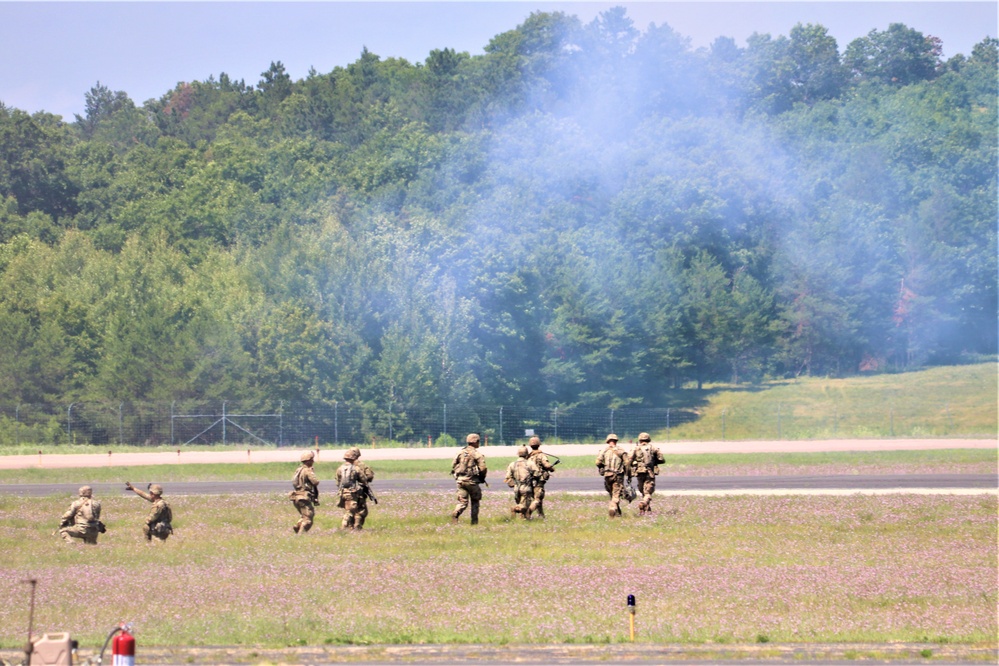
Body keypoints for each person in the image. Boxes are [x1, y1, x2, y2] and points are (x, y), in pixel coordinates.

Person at [450, 433, 487, 524]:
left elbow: (453, 465)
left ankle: (456, 514)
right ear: (476, 442)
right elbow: (483, 468)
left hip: (461, 481)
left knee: (462, 502)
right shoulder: (477, 454)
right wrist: (482, 478)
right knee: (475, 501)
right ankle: (474, 522)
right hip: (472, 482)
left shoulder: (460, 452)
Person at [335, 447, 375, 530]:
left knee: (350, 510)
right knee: (361, 511)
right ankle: (356, 527)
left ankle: (350, 527)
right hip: (358, 492)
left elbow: (338, 482)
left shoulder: (341, 468)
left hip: (344, 492)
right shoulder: (360, 465)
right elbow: (368, 477)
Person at [628, 432, 666, 515]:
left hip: (639, 473)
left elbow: (628, 460)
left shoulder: (635, 448)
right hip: (649, 472)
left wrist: (633, 465)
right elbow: (662, 459)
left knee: (643, 491)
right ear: (648, 439)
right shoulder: (653, 448)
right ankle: (644, 503)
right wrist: (654, 461)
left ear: (640, 439)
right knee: (648, 493)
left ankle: (647, 510)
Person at [595, 434, 631, 518]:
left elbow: (597, 462)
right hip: (617, 476)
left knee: (612, 494)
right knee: (616, 495)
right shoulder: (621, 451)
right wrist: (629, 475)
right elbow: (627, 463)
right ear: (616, 441)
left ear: (608, 441)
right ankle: (612, 508)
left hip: (607, 475)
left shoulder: (604, 451)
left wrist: (602, 467)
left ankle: (617, 514)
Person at [289, 450, 320, 534]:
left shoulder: (298, 470)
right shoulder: (307, 470)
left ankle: (298, 525)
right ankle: (300, 534)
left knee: (304, 516)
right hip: (304, 497)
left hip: (296, 496)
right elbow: (315, 482)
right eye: (312, 459)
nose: (313, 461)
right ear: (308, 461)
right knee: (308, 519)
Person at [504, 446, 538, 519]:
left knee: (521, 504)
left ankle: (522, 519)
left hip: (516, 488)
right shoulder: (530, 463)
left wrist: (513, 483)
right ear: (527, 454)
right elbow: (537, 474)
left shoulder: (512, 464)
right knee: (531, 504)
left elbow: (508, 476)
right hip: (526, 488)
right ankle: (515, 510)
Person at [526, 436, 557, 518]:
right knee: (538, 499)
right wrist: (552, 468)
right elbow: (547, 465)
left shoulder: (528, 457)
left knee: (536, 498)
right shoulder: (541, 455)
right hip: (538, 480)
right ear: (539, 444)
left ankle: (541, 516)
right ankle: (528, 512)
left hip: (529, 481)